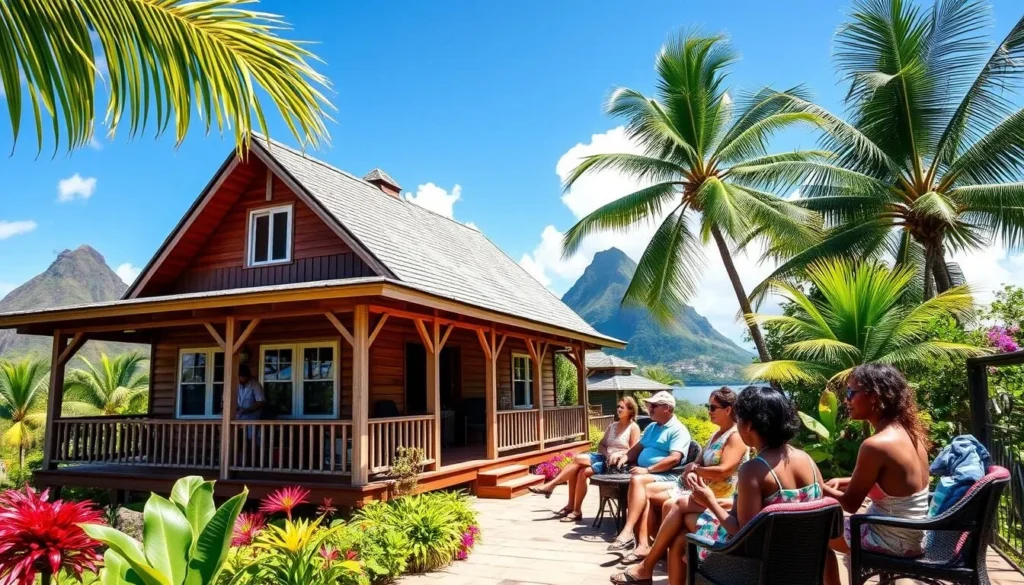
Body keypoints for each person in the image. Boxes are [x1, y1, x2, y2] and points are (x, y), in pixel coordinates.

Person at [611, 386, 822, 585]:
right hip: (798, 557)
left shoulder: (754, 470)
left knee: (679, 538)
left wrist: (710, 501)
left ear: (748, 425)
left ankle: (645, 567)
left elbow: (741, 534)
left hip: (754, 563)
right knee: (680, 533)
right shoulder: (807, 460)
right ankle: (646, 566)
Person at [823, 364, 931, 585]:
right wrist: (842, 481)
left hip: (891, 540)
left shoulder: (876, 445)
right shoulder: (910, 433)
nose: (846, 400)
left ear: (874, 397)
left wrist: (813, 481)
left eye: (851, 393)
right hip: (913, 534)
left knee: (815, 533)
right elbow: (895, 482)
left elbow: (850, 505)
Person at [621, 387, 749, 566]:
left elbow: (723, 471)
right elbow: (695, 462)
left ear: (728, 410)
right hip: (702, 489)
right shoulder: (715, 435)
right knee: (647, 493)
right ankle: (646, 544)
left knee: (668, 504)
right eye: (708, 406)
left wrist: (695, 470)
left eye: (712, 408)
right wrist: (692, 470)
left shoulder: (735, 436)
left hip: (719, 495)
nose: (708, 411)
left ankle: (660, 551)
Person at [529, 397, 641, 521]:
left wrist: (619, 455)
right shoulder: (613, 426)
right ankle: (572, 506)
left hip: (615, 464)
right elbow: (601, 444)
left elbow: (633, 451)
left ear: (630, 410)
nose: (619, 409)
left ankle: (558, 493)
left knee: (581, 468)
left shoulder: (633, 427)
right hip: (605, 457)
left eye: (622, 407)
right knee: (577, 466)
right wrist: (607, 454)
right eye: (618, 407)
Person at [606, 391, 691, 551]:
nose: (649, 408)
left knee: (638, 481)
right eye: (649, 405)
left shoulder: (678, 430)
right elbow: (637, 448)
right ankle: (642, 544)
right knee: (640, 487)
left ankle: (628, 530)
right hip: (649, 474)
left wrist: (648, 469)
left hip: (669, 476)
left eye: (653, 406)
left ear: (667, 408)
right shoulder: (652, 427)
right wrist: (625, 457)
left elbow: (674, 459)